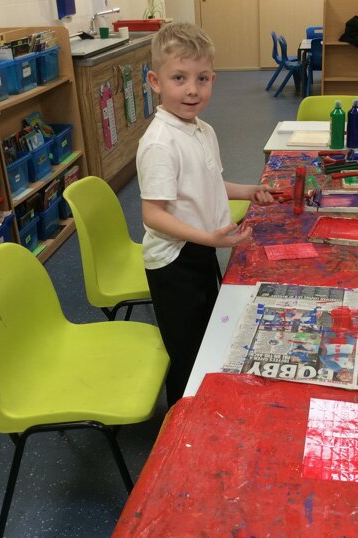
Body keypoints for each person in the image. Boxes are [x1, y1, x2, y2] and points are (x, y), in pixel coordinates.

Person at [137, 22, 273, 406]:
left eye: (202, 78)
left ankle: (202, 401)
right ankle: (182, 416)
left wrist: (247, 191)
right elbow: (152, 215)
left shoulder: (201, 130)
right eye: (179, 78)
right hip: (174, 262)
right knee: (187, 350)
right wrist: (209, 238)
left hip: (200, 248)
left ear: (213, 79)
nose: (192, 90)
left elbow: (208, 183)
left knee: (206, 333)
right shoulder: (161, 143)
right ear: (155, 81)